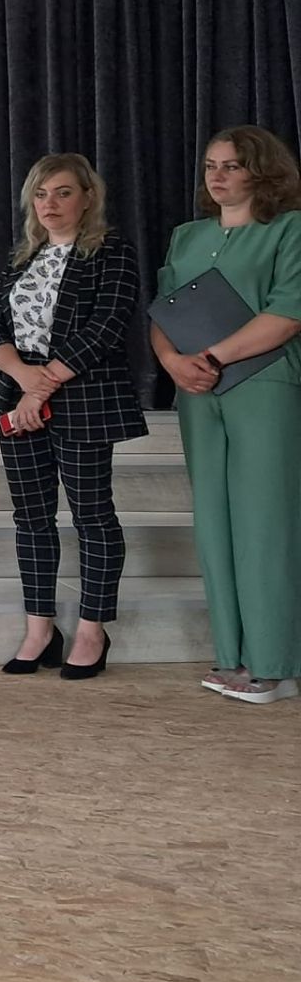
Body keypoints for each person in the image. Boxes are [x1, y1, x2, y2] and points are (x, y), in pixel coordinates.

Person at [152, 126, 301, 705]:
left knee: (265, 521)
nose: (217, 176)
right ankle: (233, 656)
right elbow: (164, 312)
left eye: (232, 166)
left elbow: (287, 313)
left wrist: (211, 357)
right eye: (211, 165)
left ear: (262, 172)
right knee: (214, 521)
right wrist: (173, 363)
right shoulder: (187, 236)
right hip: (197, 389)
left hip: (264, 385)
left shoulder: (288, 229)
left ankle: (275, 665)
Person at [0, 154, 147, 678]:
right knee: (31, 518)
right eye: (40, 194)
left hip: (83, 400)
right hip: (19, 396)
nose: (49, 204)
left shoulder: (112, 251)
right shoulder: (22, 258)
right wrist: (23, 379)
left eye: (62, 192)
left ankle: (93, 629)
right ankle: (40, 629)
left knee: (92, 516)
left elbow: (107, 326)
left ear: (88, 197)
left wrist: (42, 386)